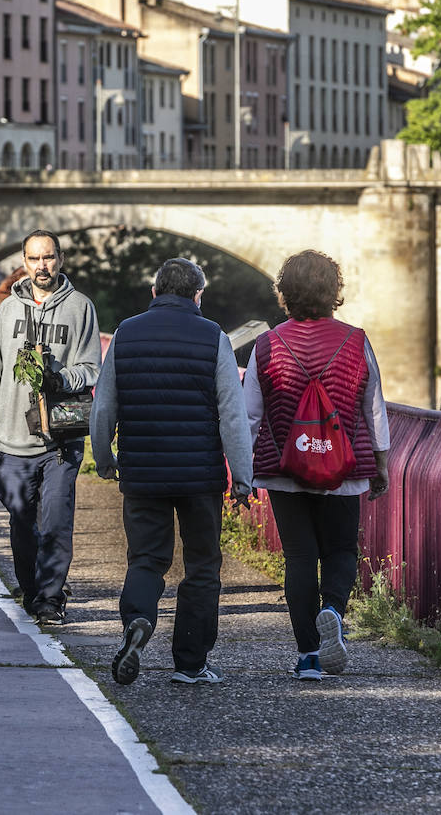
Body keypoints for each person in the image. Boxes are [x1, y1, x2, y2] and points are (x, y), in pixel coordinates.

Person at [90, 258, 254, 686]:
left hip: (143, 472)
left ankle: (139, 621)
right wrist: (242, 476)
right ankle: (190, 663)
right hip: (200, 477)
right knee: (202, 566)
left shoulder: (125, 333)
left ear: (154, 292)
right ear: (198, 294)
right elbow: (232, 416)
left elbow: (104, 404)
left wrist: (104, 457)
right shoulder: (213, 336)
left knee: (145, 558)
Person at [244, 249, 390, 681]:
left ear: (284, 293)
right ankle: (334, 611)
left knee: (299, 558)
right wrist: (379, 465)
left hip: (283, 469)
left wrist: (240, 470)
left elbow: (250, 414)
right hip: (343, 469)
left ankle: (309, 655)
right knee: (341, 550)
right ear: (334, 292)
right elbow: (375, 410)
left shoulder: (267, 345)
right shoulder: (355, 340)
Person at [0, 230, 102, 626]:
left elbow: (91, 368)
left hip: (60, 441)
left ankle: (50, 600)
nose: (42, 266)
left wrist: (59, 377)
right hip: (12, 442)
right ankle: (33, 589)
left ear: (60, 259)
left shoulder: (80, 308)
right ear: (24, 261)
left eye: (49, 258)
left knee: (55, 520)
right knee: (22, 521)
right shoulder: (7, 311)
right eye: (34, 259)